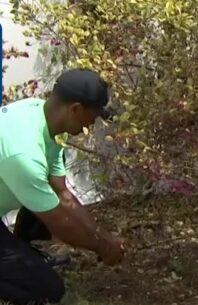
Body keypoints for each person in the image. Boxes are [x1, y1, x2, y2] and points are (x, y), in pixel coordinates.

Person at [0, 68, 124, 305]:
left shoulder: (45, 118)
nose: (93, 122)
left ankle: (20, 255)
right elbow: (60, 222)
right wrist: (103, 247)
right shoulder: (24, 152)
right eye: (94, 115)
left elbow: (62, 192)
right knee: (48, 289)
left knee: (43, 197)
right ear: (75, 108)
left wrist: (102, 238)